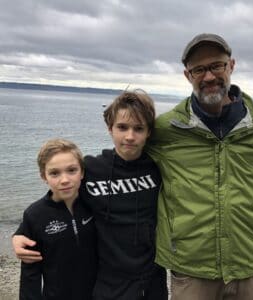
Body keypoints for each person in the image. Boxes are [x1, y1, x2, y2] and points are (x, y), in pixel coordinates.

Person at [146, 33, 253, 300]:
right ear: (187, 75)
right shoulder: (167, 129)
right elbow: (124, 163)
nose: (208, 77)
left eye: (216, 65)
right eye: (199, 69)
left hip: (248, 264)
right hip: (192, 268)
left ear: (231, 66)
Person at [13, 91, 168, 300]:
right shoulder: (92, 169)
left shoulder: (159, 167)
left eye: (138, 128)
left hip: (152, 277)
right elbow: (57, 197)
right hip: (108, 280)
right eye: (122, 127)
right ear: (110, 128)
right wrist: (21, 232)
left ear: (148, 132)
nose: (130, 136)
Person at [18, 139, 97, 300]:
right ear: (43, 176)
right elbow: (30, 274)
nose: (65, 180)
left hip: (101, 294)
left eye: (72, 170)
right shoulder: (34, 215)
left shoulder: (95, 203)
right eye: (55, 173)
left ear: (82, 172)